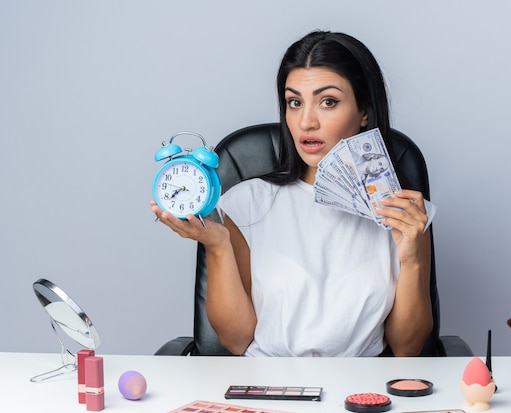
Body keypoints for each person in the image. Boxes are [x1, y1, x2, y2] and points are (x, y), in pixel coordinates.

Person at [150, 30, 433, 357]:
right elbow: (237, 341)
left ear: (364, 112)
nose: (306, 122)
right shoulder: (247, 203)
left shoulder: (404, 212)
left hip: (358, 392)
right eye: (294, 102)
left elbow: (407, 348)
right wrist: (218, 245)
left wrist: (411, 258)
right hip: (268, 388)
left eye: (328, 102)